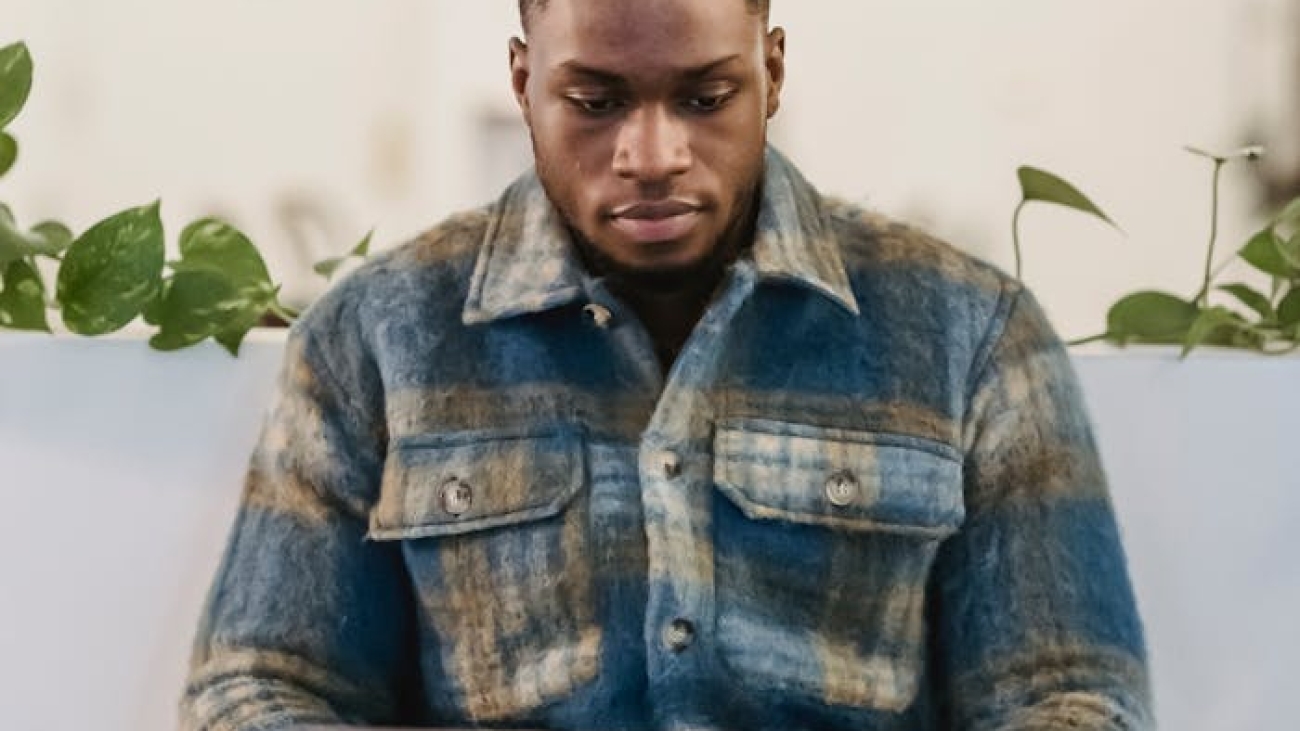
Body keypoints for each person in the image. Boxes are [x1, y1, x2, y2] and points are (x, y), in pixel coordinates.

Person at [181, 1, 1153, 729]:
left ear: (772, 70)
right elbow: (263, 682)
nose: (651, 153)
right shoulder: (377, 334)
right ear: (523, 82)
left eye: (704, 96)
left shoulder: (969, 331)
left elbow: (1068, 689)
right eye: (595, 102)